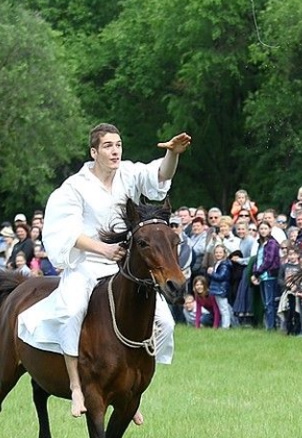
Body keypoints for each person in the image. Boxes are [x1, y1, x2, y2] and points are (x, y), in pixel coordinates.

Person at [16, 123, 190, 419]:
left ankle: (133, 390)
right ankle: (75, 386)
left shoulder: (129, 174)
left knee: (165, 323)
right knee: (72, 312)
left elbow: (160, 176)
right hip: (86, 265)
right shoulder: (74, 187)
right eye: (109, 146)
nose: (116, 151)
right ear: (94, 152)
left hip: (121, 268)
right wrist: (104, 249)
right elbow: (66, 232)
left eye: (119, 145)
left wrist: (173, 153)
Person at [251, 221, 281, 330]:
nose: (263, 231)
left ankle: (271, 327)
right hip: (262, 276)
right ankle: (269, 325)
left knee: (269, 303)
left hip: (269, 276)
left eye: (265, 228)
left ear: (269, 230)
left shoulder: (272, 243)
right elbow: (257, 260)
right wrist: (255, 273)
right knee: (266, 303)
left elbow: (268, 261)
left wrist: (257, 272)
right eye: (261, 229)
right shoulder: (260, 243)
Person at [207, 244, 232, 328]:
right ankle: (224, 325)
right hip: (217, 289)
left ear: (224, 253)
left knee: (224, 310)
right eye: (216, 252)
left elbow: (221, 277)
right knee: (222, 309)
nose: (218, 254)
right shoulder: (217, 263)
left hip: (221, 289)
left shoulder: (224, 264)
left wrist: (212, 273)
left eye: (220, 252)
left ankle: (226, 326)